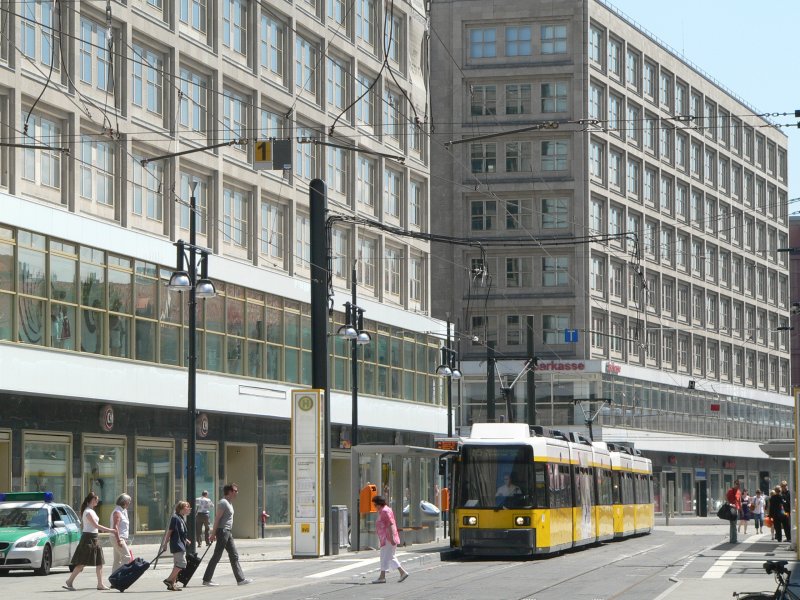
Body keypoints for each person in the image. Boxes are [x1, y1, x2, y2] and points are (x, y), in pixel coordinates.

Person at [63, 492, 120, 591]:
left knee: (99, 562)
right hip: (88, 539)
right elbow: (95, 525)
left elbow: (95, 527)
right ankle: (69, 581)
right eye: (96, 499)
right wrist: (111, 530)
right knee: (82, 563)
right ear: (91, 500)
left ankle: (100, 584)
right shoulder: (88, 512)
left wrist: (104, 530)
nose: (97, 501)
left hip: (94, 538)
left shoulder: (92, 511)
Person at [201, 483, 253, 587]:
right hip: (223, 531)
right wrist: (213, 534)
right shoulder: (223, 502)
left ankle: (240, 580)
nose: (237, 492)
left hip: (227, 532)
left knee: (234, 555)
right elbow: (217, 519)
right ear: (229, 491)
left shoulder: (229, 503)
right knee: (217, 555)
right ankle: (206, 579)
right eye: (235, 491)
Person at [371, 495, 409, 584]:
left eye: (375, 505)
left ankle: (401, 572)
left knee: (388, 556)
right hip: (386, 538)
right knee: (386, 556)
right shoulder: (385, 510)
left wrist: (391, 538)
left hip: (387, 538)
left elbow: (390, 524)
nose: (375, 507)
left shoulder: (384, 511)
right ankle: (383, 576)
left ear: (379, 504)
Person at [161, 501, 192, 592]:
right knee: (182, 563)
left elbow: (180, 532)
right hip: (177, 545)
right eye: (187, 507)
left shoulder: (181, 518)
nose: (189, 509)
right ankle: (168, 580)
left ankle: (172, 584)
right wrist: (165, 544)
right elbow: (170, 532)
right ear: (181, 508)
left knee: (177, 564)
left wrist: (186, 540)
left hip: (181, 544)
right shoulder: (175, 518)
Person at [110, 494, 133, 573]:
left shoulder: (123, 511)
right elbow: (115, 527)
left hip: (120, 537)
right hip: (118, 537)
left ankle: (114, 578)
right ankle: (120, 575)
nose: (129, 503)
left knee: (117, 560)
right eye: (129, 501)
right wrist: (118, 540)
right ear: (124, 502)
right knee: (127, 557)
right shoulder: (117, 512)